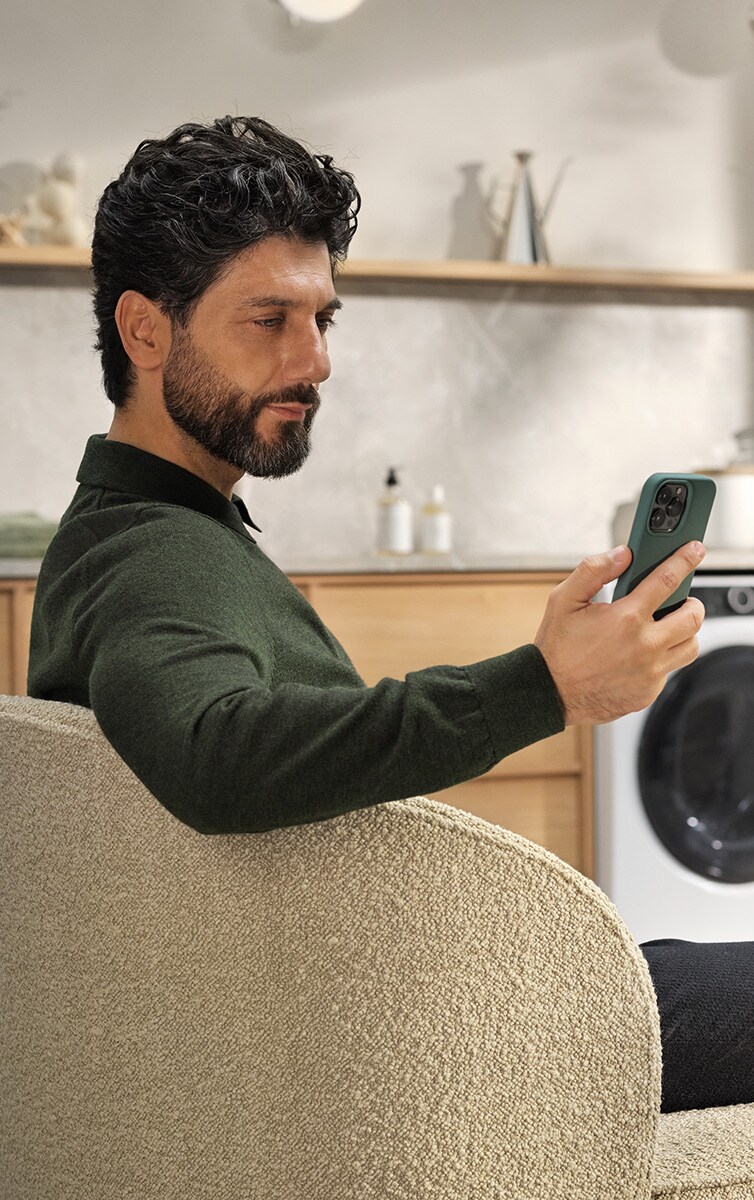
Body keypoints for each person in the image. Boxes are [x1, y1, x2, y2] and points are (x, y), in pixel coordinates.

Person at [27, 115, 753, 1116]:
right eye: (268, 320)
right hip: (404, 1042)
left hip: (429, 996)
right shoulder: (147, 554)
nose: (315, 360)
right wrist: (547, 685)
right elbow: (214, 755)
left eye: (323, 320)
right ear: (145, 329)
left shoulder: (168, 534)